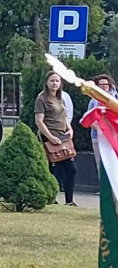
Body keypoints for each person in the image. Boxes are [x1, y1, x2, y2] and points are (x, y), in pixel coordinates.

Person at [35, 70, 77, 206]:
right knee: (53, 170)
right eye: (52, 80)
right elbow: (39, 121)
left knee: (71, 170)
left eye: (57, 81)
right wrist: (50, 137)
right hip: (49, 139)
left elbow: (64, 118)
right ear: (46, 83)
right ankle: (51, 199)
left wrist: (69, 129)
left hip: (63, 138)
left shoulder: (60, 98)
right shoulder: (42, 99)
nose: (55, 83)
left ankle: (69, 201)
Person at [87, 74, 118, 168]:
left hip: (115, 136)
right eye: (101, 85)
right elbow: (90, 119)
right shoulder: (93, 101)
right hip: (99, 137)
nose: (104, 86)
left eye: (106, 84)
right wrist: (102, 130)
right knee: (101, 165)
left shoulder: (115, 99)